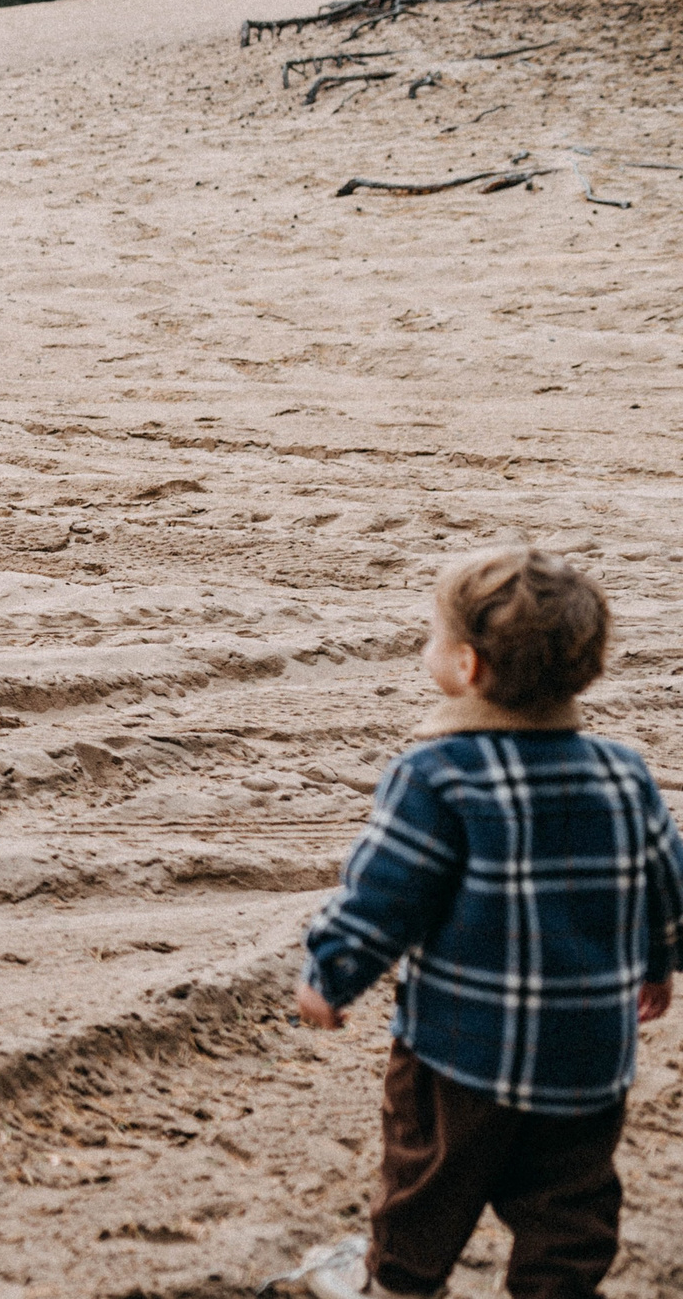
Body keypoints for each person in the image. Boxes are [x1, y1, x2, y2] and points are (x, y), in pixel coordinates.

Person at [293, 546, 683, 1299]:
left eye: (431, 636)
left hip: (459, 1051)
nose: (423, 648)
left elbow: (383, 896)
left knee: (426, 1179)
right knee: (571, 1202)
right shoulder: (623, 772)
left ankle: (402, 1284)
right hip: (587, 1055)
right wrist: (658, 961)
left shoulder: (435, 776)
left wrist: (331, 974)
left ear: (467, 667)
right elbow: (667, 881)